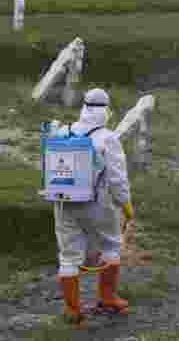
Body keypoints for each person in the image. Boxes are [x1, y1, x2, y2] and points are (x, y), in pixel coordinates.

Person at [54, 88, 134, 326]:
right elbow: (117, 179)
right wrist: (126, 205)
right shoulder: (107, 138)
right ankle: (107, 298)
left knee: (68, 256)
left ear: (84, 107)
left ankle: (72, 309)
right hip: (95, 203)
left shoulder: (63, 132)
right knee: (111, 245)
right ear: (106, 111)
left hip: (62, 201)